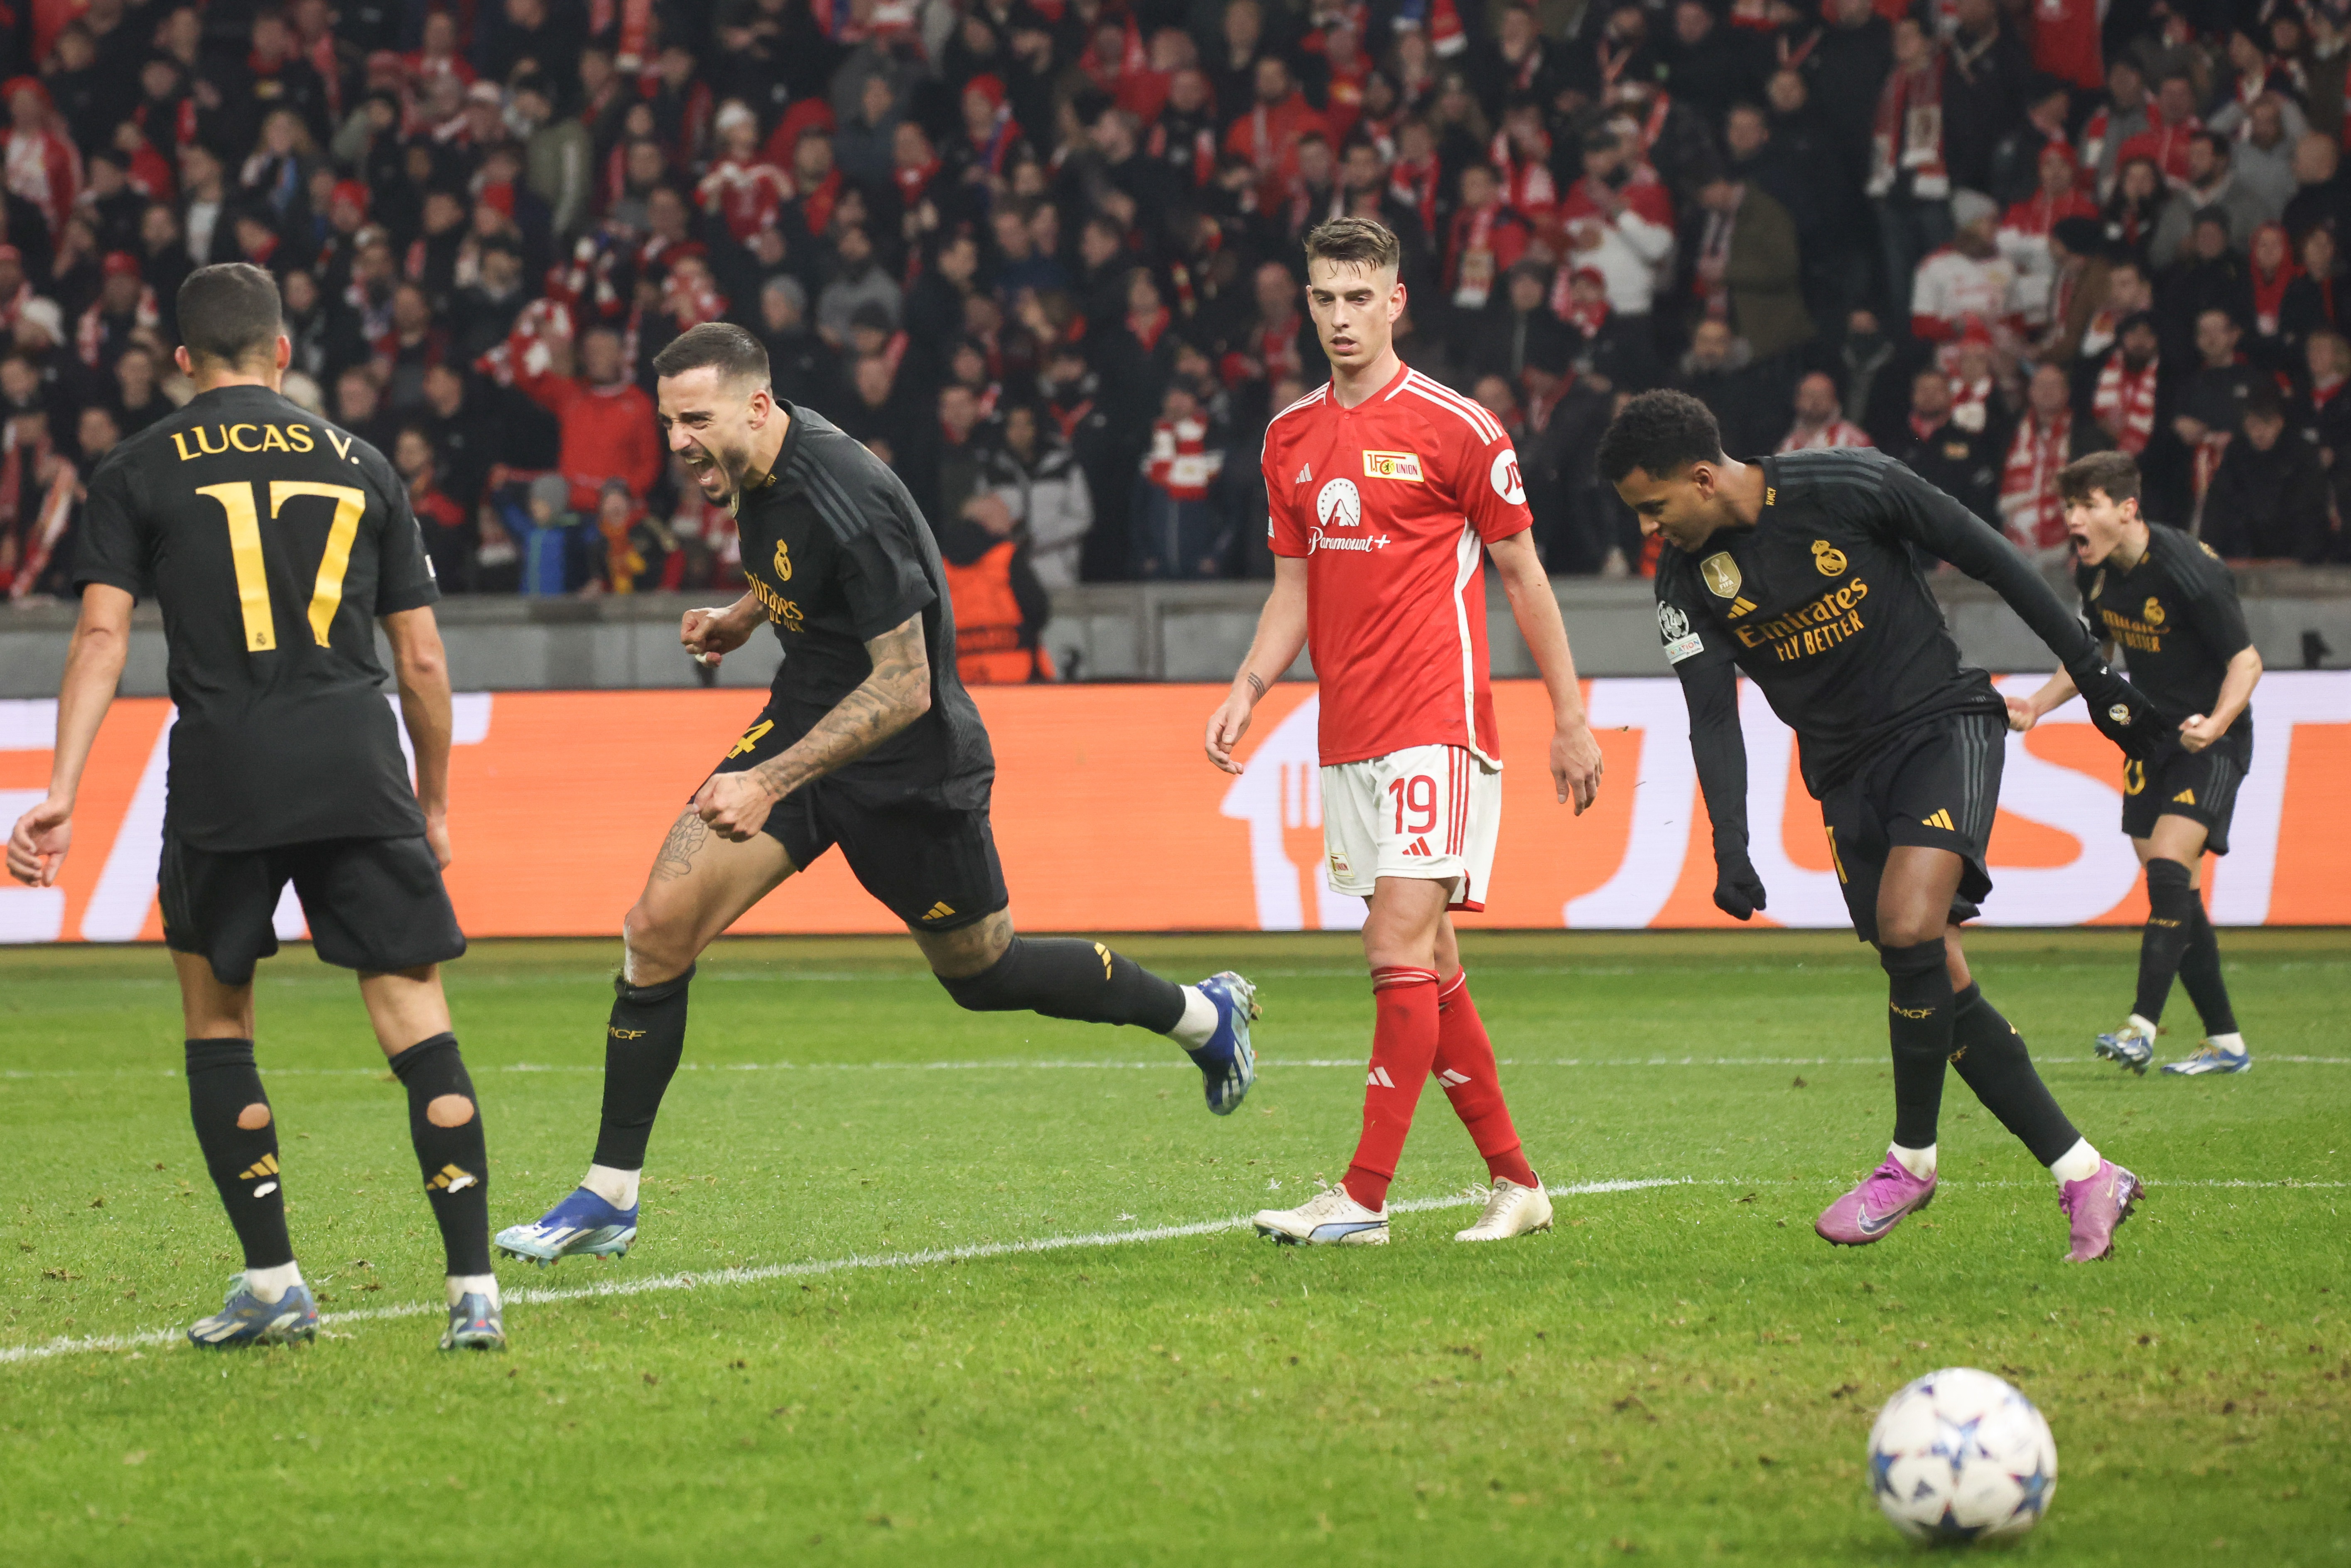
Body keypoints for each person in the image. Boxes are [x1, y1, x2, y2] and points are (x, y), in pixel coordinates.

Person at [493, 323, 1261, 1268]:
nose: (679, 441)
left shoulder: (844, 493)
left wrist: (768, 780)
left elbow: (904, 687)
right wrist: (744, 617)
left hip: (910, 766)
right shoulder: (755, 466)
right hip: (807, 725)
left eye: (696, 419)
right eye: (668, 421)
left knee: (985, 974)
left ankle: (1198, 1014)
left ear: (758, 407)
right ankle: (611, 1194)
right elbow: (806, 573)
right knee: (656, 929)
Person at [4, 263, 501, 1350]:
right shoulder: (363, 463)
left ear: (183, 363)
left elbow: (99, 638)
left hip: (227, 768)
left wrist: (59, 794)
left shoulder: (136, 470)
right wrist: (435, 800)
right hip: (359, 758)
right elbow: (419, 657)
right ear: (283, 352)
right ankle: (473, 1291)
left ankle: (275, 1281)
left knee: (220, 1021)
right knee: (415, 1014)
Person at [1597, 389, 2167, 1262]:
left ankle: (1910, 1161)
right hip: (1844, 776)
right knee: (1936, 976)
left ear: (1703, 478)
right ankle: (2086, 1171)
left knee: (1908, 924)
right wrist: (1730, 841)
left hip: (1943, 725)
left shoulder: (1850, 484)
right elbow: (1711, 716)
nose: (1649, 528)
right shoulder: (1683, 580)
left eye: (1653, 506)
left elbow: (1996, 561)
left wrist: (2093, 679)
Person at [1207, 216, 1604, 1248]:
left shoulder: (1459, 426)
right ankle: (1517, 1183)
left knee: (1391, 940)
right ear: (1308, 305)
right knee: (1428, 954)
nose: (1340, 318)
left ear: (1395, 302)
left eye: (1359, 297)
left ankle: (1364, 1198)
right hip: (1349, 732)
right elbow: (1292, 590)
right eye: (1324, 298)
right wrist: (1250, 687)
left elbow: (1523, 574)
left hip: (1440, 720)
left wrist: (1570, 718)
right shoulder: (1287, 438)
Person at [2005, 452, 2263, 1078]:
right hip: (2150, 743)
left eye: (2086, 505)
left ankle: (2141, 1027)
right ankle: (2226, 1042)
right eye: (2069, 507)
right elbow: (2092, 657)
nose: (2073, 519)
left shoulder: (2187, 571)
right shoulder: (2096, 575)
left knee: (2172, 867)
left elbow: (2246, 661)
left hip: (2212, 740)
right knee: (2178, 893)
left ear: (2126, 510)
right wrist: (2038, 705)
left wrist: (2219, 722)